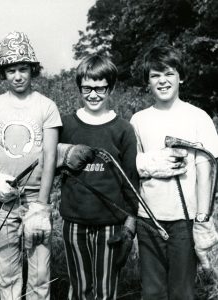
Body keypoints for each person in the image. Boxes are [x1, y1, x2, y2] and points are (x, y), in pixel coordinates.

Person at [0, 31, 62, 300]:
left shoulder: (46, 106)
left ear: (32, 70)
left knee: (39, 273)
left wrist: (41, 206)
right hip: (4, 201)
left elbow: (49, 156)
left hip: (35, 198)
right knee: (8, 269)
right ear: (3, 72)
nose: (18, 76)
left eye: (23, 69)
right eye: (11, 70)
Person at [130, 45, 218, 300]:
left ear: (181, 76)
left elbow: (206, 170)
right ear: (147, 81)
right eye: (155, 75)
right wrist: (150, 163)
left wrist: (202, 221)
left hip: (184, 220)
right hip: (148, 219)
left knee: (182, 292)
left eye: (168, 73)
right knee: (152, 291)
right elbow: (133, 167)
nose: (162, 80)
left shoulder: (198, 117)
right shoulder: (139, 120)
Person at [58, 54, 139, 299]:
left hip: (110, 224)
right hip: (74, 221)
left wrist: (130, 222)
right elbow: (49, 163)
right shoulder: (66, 124)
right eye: (87, 88)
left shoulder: (122, 129)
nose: (93, 94)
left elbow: (130, 180)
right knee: (80, 287)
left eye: (100, 88)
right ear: (79, 88)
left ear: (111, 88)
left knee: (106, 289)